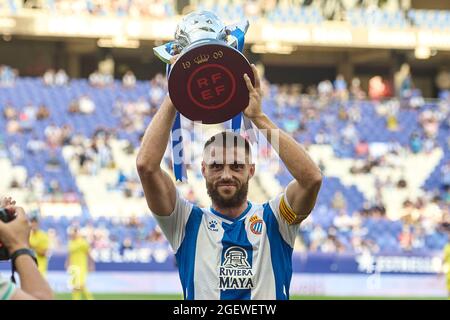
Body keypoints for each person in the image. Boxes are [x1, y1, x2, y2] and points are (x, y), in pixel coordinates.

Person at [136, 64, 322, 300]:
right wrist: (175, 95)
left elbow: (311, 179)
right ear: (203, 169)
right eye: (216, 166)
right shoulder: (185, 223)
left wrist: (258, 118)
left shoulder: (275, 219)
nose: (226, 174)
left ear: (251, 170)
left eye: (236, 166)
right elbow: (146, 167)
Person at [0, 197, 53, 300]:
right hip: (28, 267)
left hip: (39, 267)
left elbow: (45, 252)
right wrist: (19, 245)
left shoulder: (43, 236)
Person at [66, 227, 94, 300]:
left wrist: (91, 264)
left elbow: (89, 254)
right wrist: (67, 263)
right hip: (73, 267)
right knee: (75, 287)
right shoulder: (70, 242)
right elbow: (70, 254)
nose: (71, 235)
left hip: (81, 267)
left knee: (80, 285)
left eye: (73, 233)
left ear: (76, 233)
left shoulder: (83, 242)